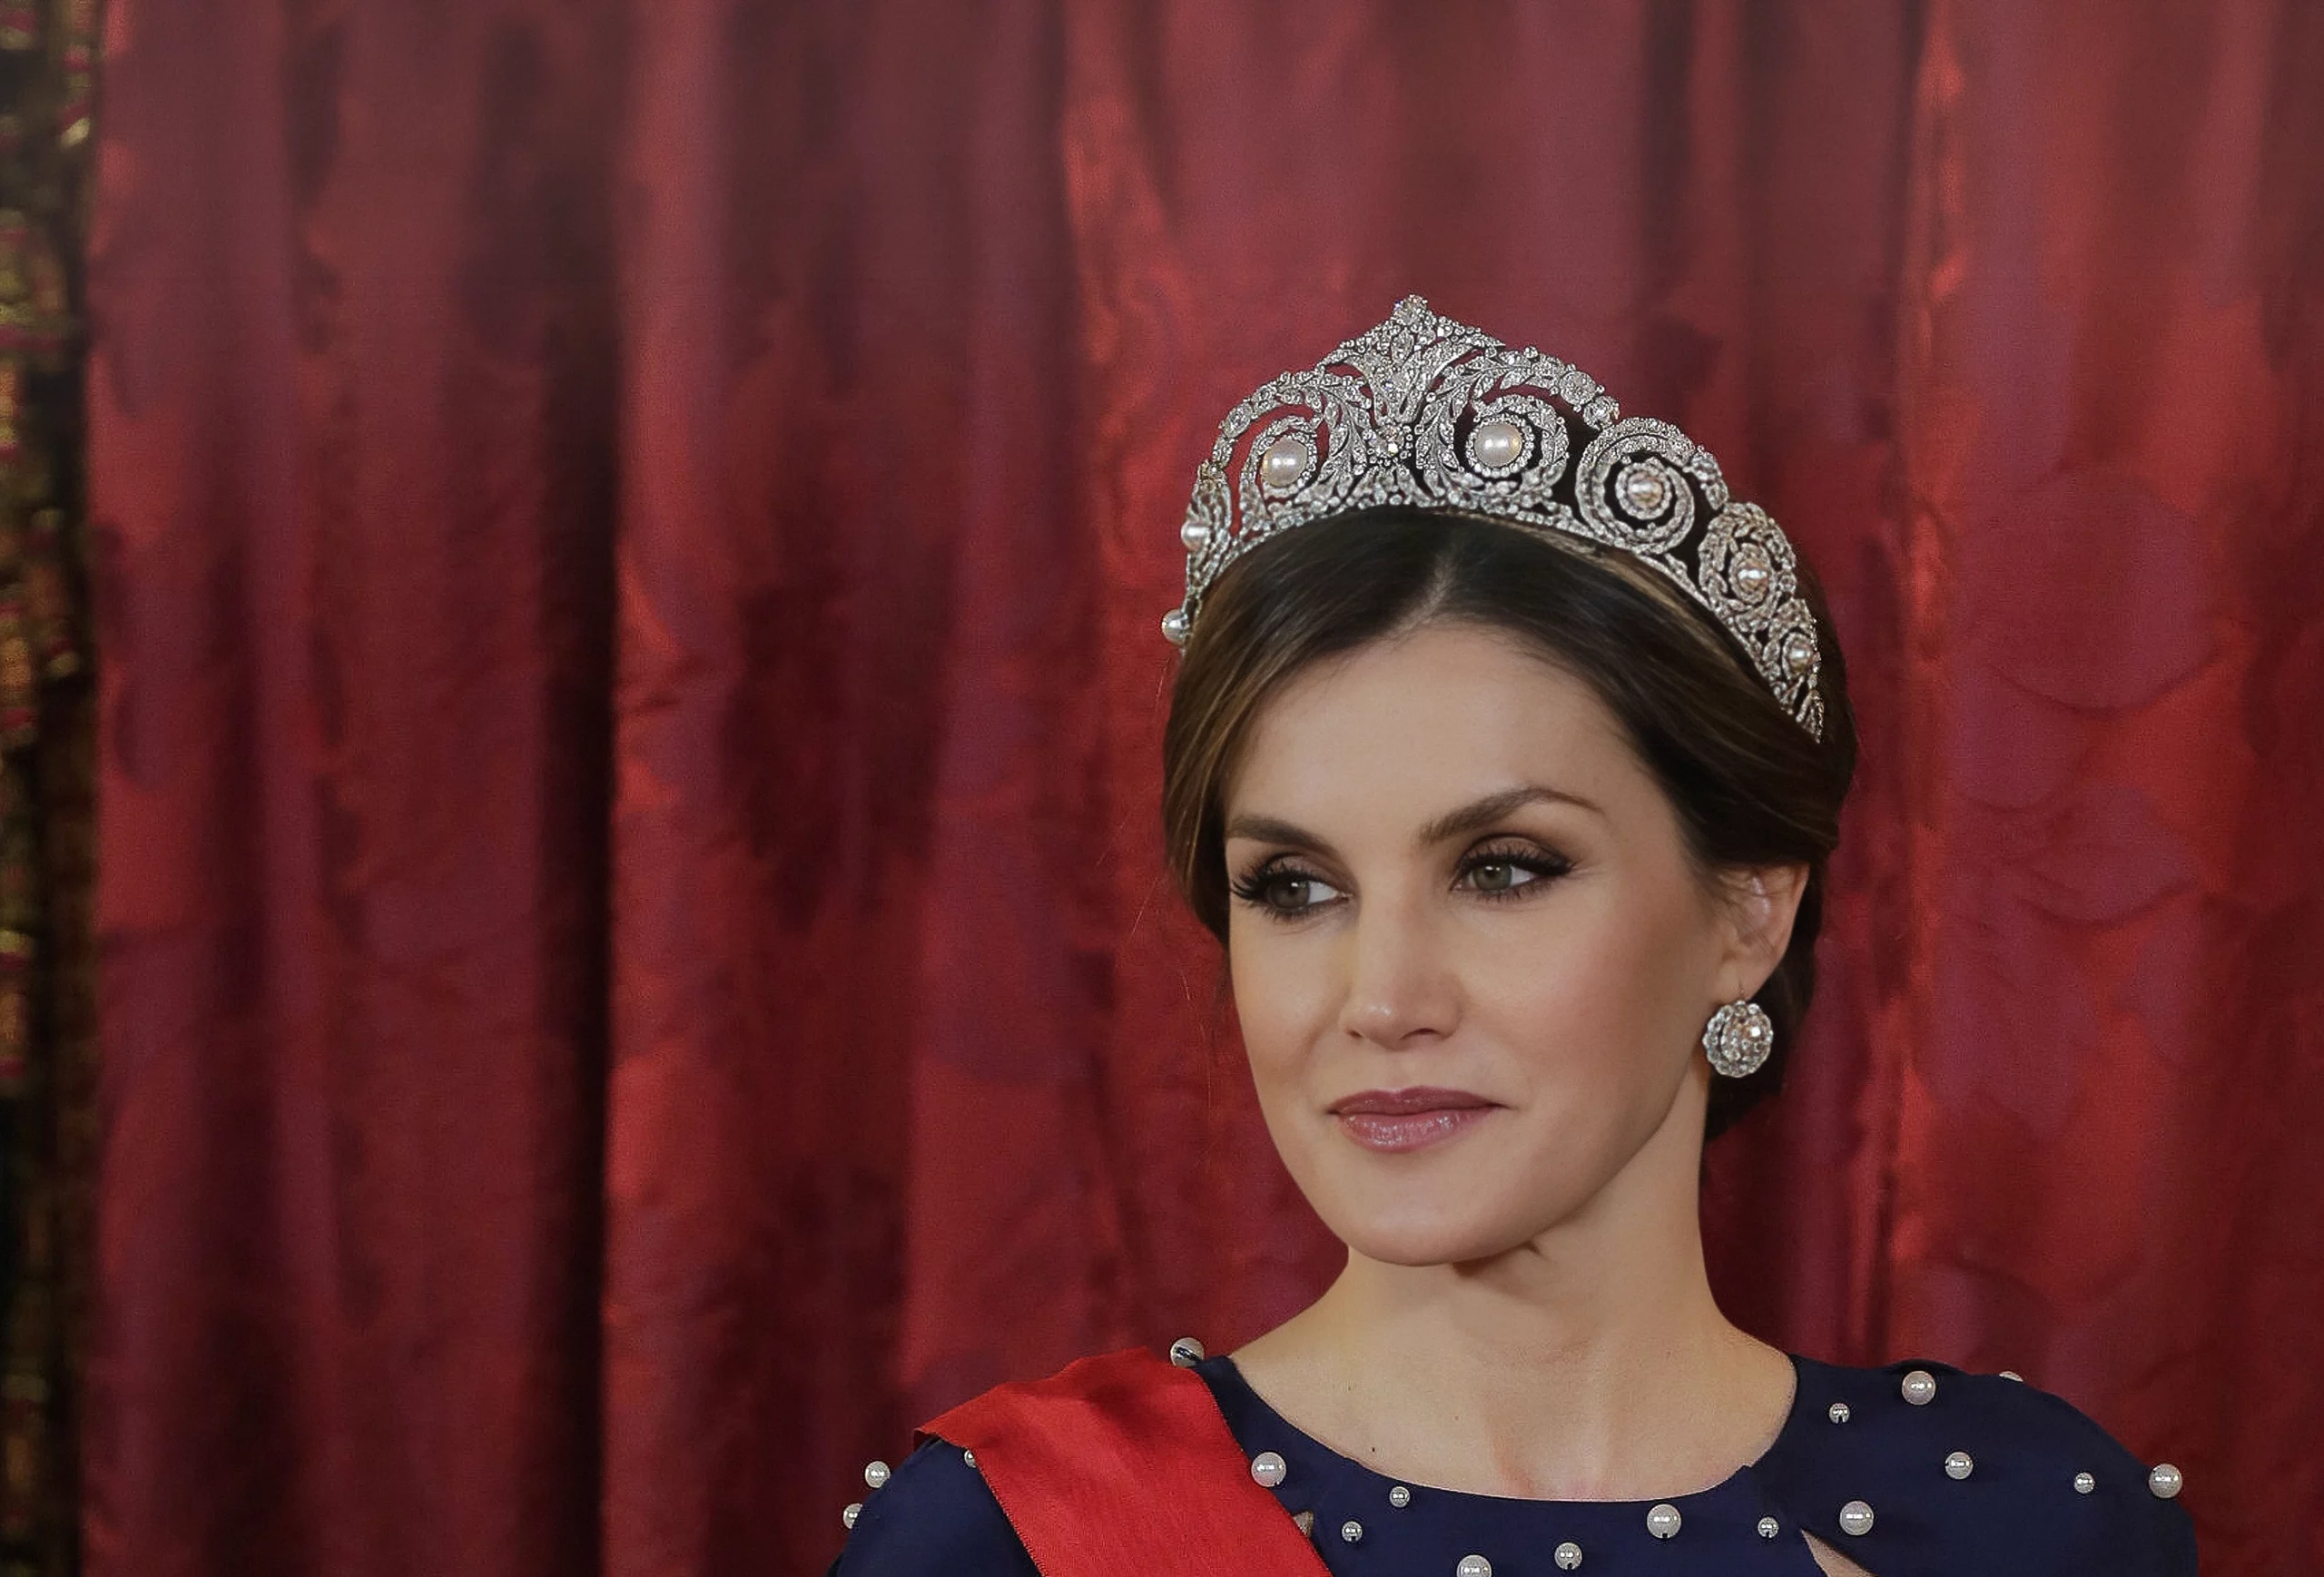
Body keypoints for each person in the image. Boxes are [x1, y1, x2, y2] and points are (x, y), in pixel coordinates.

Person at [832, 298, 2196, 1576]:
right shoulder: (1020, 1537)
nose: (1381, 997)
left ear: (1749, 914)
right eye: (1295, 888)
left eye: (1504, 868)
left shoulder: (2026, 1524)